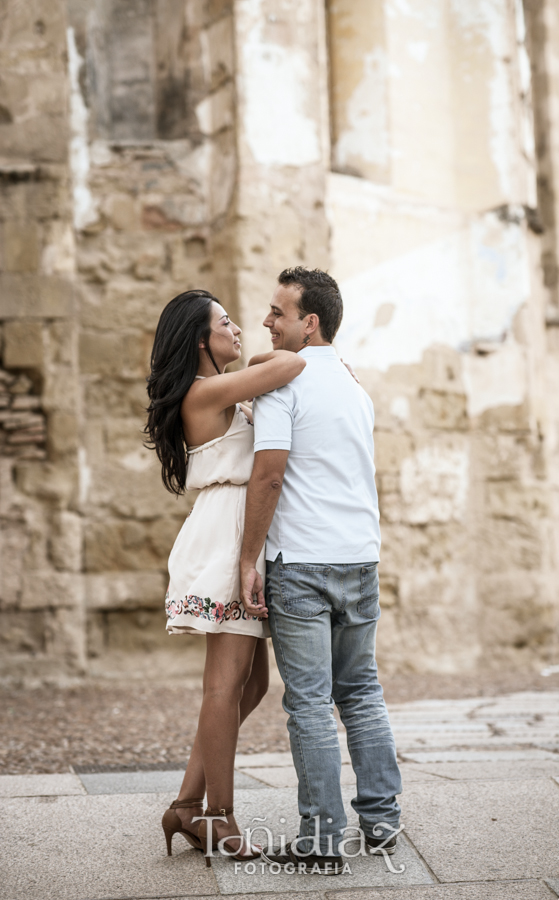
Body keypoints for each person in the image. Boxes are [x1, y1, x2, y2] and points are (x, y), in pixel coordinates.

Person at [238, 267, 402, 876]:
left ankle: (321, 838)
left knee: (308, 702)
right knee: (360, 690)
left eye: (278, 312)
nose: (266, 320)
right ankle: (382, 819)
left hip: (302, 563)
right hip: (360, 556)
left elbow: (270, 473)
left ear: (310, 322)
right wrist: (276, 353)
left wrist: (248, 557)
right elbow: (275, 357)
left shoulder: (283, 388)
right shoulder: (355, 389)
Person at [145, 289, 305, 866]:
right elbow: (292, 361)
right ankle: (218, 814)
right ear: (198, 339)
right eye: (226, 323)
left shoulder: (219, 393)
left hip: (238, 534)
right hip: (224, 540)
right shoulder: (205, 390)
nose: (239, 330)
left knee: (253, 684)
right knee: (224, 683)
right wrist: (269, 357)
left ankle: (188, 803)